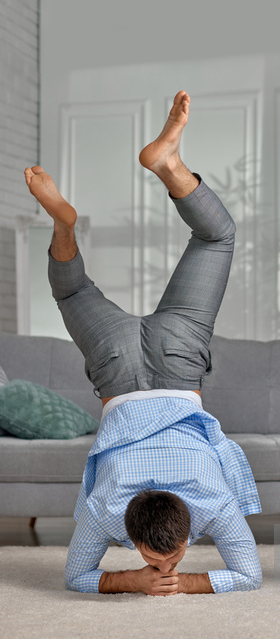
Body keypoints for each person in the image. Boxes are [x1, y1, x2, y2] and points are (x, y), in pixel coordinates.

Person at [24, 91, 262, 596]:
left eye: (158, 558)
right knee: (71, 290)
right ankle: (66, 224)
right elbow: (249, 577)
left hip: (177, 363)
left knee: (217, 238)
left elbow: (248, 575)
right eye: (165, 558)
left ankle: (168, 163)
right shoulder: (108, 508)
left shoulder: (204, 501)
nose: (162, 565)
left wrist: (140, 578)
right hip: (117, 366)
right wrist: (138, 578)